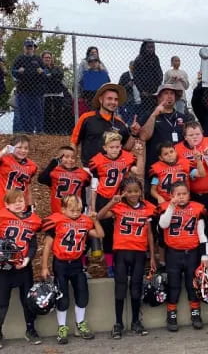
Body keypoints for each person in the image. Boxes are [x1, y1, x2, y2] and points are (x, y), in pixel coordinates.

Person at [97, 177, 157, 338]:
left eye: (136, 191)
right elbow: (99, 216)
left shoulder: (148, 208)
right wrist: (112, 201)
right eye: (129, 191)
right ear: (123, 192)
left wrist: (152, 256)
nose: (133, 194)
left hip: (139, 252)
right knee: (120, 287)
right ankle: (118, 323)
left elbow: (150, 234)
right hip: (121, 252)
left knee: (136, 288)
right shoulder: (118, 206)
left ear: (141, 192)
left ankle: (136, 321)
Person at [41, 195, 104, 345]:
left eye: (78, 209)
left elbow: (100, 234)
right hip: (61, 263)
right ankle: (62, 327)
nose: (76, 212)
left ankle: (80, 324)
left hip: (76, 263)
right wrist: (44, 266)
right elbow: (47, 246)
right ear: (63, 209)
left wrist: (95, 220)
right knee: (62, 298)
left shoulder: (85, 221)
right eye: (72, 210)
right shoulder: (56, 221)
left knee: (82, 294)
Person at [158, 182, 208, 331]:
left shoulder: (197, 208)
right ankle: (171, 315)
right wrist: (171, 207)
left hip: (191, 253)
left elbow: (201, 234)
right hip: (173, 253)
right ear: (171, 196)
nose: (181, 197)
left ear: (189, 194)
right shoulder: (165, 208)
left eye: (184, 194)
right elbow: (163, 225)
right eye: (177, 194)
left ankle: (195, 314)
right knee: (173, 285)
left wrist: (205, 255)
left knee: (192, 285)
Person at [89, 131, 137, 277]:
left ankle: (119, 264)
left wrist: (140, 155)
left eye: (117, 147)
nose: (115, 150)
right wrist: (92, 205)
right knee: (106, 234)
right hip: (103, 198)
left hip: (120, 199)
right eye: (112, 147)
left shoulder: (127, 158)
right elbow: (94, 185)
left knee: (119, 233)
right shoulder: (97, 160)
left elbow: (134, 172)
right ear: (105, 148)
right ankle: (109, 265)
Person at [175, 121, 208, 262]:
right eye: (191, 134)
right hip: (192, 194)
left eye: (198, 134)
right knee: (195, 224)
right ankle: (196, 254)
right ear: (185, 136)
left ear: (203, 133)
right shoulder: (178, 149)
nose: (195, 137)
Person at [0, 190, 42, 348]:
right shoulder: (2, 216)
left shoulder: (32, 220)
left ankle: (30, 330)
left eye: (21, 201)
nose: (18, 204)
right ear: (6, 205)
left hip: (23, 267)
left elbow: (33, 245)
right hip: (4, 268)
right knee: (2, 302)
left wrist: (26, 260)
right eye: (14, 202)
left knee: (28, 301)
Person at [71, 83, 137, 168]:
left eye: (116, 99)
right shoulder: (86, 118)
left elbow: (126, 148)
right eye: (109, 99)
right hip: (90, 169)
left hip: (113, 170)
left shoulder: (120, 123)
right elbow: (74, 142)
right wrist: (71, 165)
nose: (113, 102)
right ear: (101, 99)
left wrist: (134, 134)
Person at [138, 83, 194, 183]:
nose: (169, 96)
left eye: (172, 93)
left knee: (179, 195)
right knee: (155, 193)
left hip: (179, 169)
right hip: (156, 170)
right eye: (166, 93)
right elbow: (143, 136)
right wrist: (154, 115)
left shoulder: (184, 117)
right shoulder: (149, 115)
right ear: (158, 97)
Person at [38, 146, 91, 214]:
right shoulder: (54, 171)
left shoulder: (82, 173)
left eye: (73, 157)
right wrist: (53, 162)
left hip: (75, 211)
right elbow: (41, 179)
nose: (70, 160)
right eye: (66, 157)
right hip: (58, 211)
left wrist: (83, 205)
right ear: (59, 158)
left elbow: (83, 188)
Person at [11, 38, 45, 133]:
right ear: (24, 48)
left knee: (38, 111)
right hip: (23, 90)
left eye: (31, 47)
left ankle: (39, 131)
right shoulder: (19, 58)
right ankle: (28, 132)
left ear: (33, 48)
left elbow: (45, 72)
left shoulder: (38, 59)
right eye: (27, 47)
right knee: (24, 113)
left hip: (36, 90)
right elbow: (12, 72)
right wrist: (18, 71)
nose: (29, 49)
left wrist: (42, 72)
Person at [0, 135, 37, 210]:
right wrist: (4, 151)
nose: (23, 150)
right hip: (3, 201)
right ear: (12, 148)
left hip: (19, 204)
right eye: (19, 147)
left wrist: (29, 205)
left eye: (26, 148)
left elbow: (28, 186)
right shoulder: (4, 159)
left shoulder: (32, 166)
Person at [133, 40, 163, 122]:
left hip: (154, 90)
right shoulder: (139, 59)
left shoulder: (155, 58)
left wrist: (158, 86)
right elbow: (136, 77)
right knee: (145, 112)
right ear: (144, 48)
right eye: (149, 47)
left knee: (155, 110)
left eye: (152, 47)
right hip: (144, 91)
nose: (151, 49)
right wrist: (141, 90)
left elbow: (159, 72)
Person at [41, 51, 65, 134]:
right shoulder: (40, 68)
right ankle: (48, 131)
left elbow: (60, 75)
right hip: (46, 94)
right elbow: (42, 78)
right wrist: (52, 76)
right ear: (42, 59)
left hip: (57, 93)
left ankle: (58, 131)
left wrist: (49, 75)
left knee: (58, 113)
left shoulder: (57, 68)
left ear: (51, 59)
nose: (47, 59)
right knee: (47, 113)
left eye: (49, 57)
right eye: (45, 57)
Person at [118, 61, 142, 126]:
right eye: (132, 67)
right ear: (129, 67)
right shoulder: (125, 75)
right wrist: (128, 85)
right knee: (129, 120)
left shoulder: (140, 75)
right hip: (129, 102)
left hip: (140, 102)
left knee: (138, 120)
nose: (134, 69)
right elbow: (119, 89)